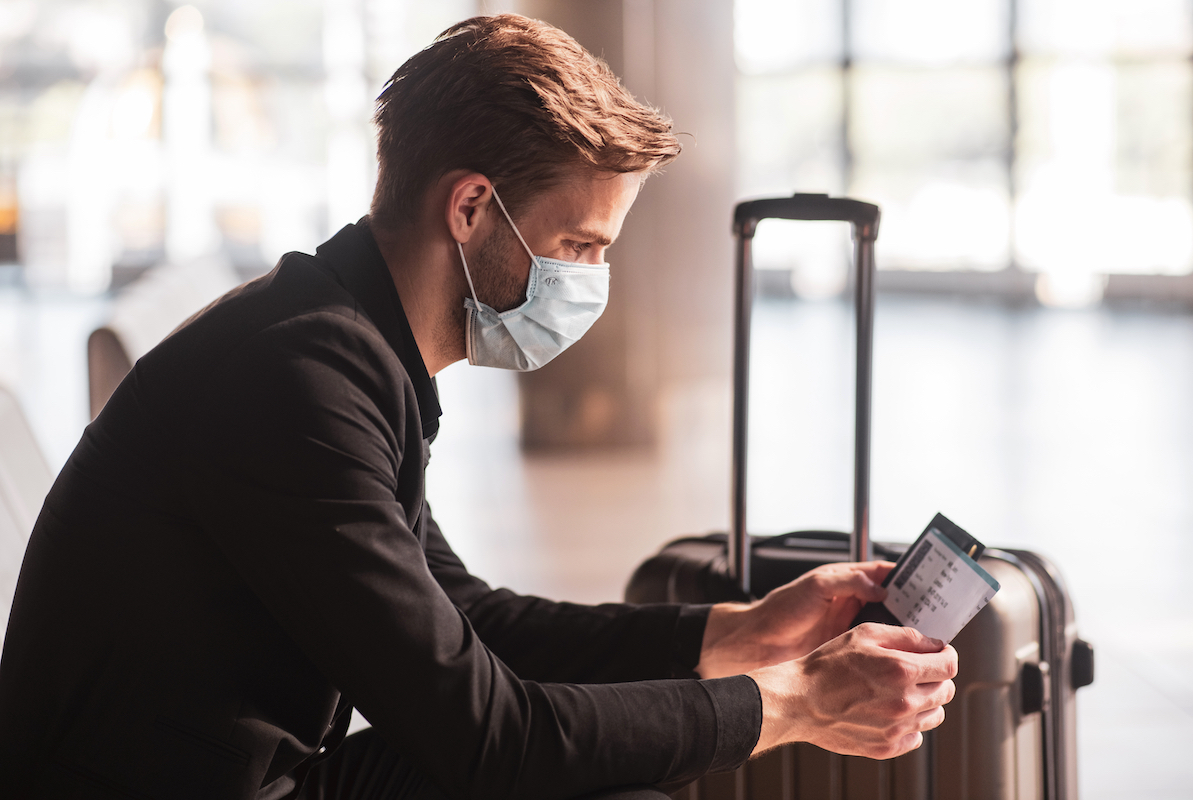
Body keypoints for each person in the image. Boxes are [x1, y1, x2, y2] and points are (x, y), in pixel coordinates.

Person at [0, 14, 957, 800]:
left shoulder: (338, 344)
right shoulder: (296, 382)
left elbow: (471, 619)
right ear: (470, 208)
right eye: (580, 246)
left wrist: (740, 633)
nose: (592, 280)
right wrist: (791, 705)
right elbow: (489, 741)